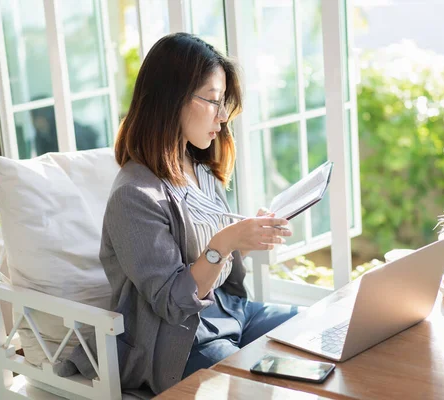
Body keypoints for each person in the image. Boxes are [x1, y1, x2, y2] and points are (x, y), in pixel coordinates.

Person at [56, 33, 298, 394]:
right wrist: (225, 241)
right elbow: (173, 302)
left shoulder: (197, 166)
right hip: (178, 343)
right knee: (251, 387)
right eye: (213, 101)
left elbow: (209, 260)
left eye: (224, 103)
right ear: (173, 100)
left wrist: (245, 239)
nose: (222, 116)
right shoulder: (134, 196)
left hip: (229, 313)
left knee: (311, 331)